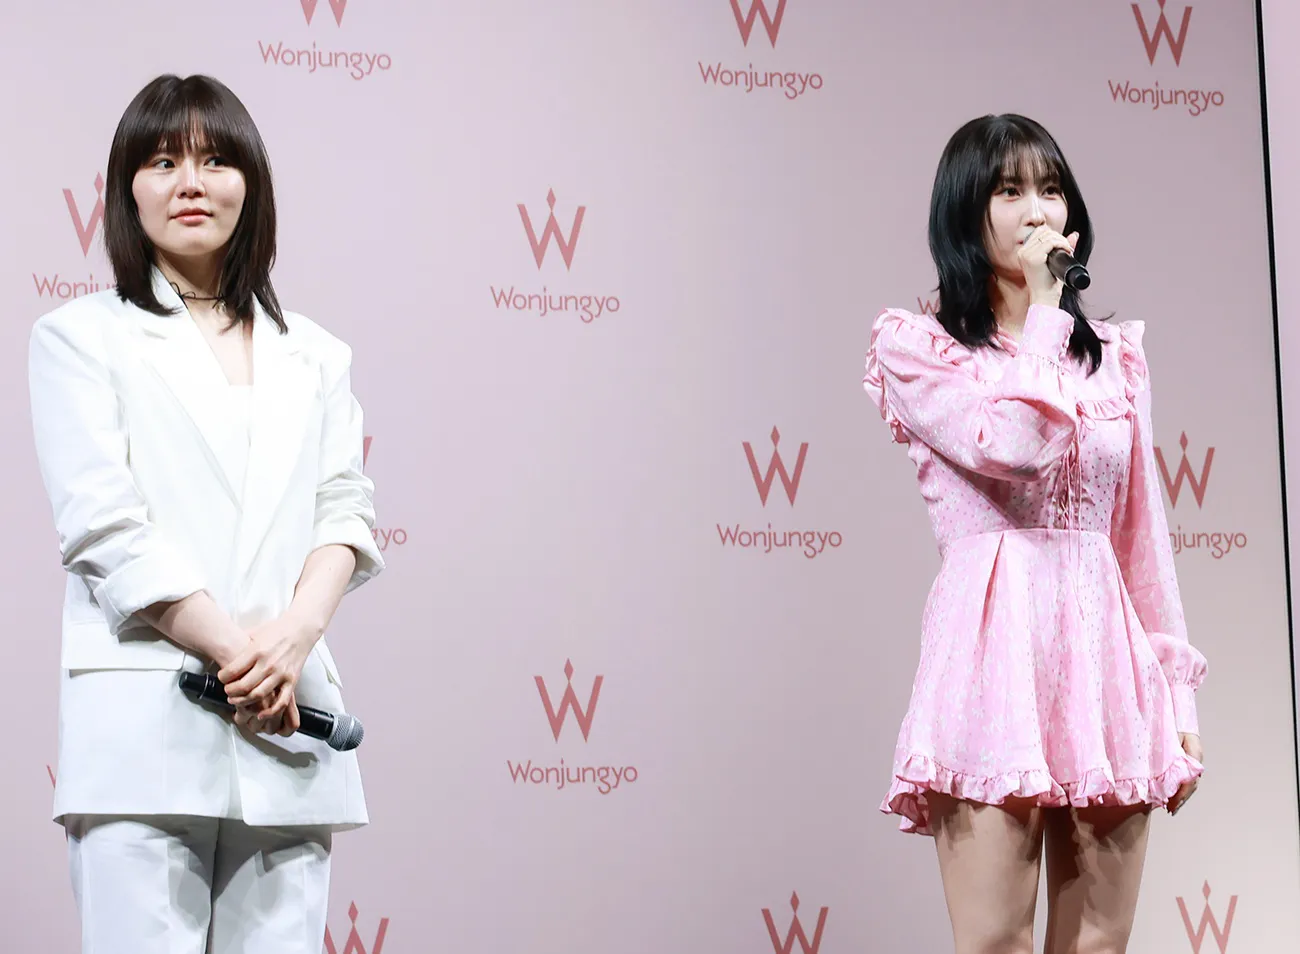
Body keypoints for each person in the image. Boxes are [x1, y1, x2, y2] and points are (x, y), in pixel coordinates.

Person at [27, 74, 384, 954]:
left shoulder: (318, 355)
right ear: (127, 189)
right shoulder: (78, 338)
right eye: (162, 161)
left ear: (251, 184)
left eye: (216, 160)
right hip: (145, 735)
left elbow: (343, 511)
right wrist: (240, 657)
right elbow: (104, 528)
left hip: (290, 733)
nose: (190, 182)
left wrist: (293, 640)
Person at [862, 114, 1207, 954]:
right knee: (996, 942)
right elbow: (1010, 448)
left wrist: (1177, 694)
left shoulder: (1115, 358)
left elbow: (1141, 538)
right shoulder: (921, 348)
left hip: (1106, 664)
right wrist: (1046, 316)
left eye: (1050, 189)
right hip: (992, 663)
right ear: (965, 212)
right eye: (1010, 190)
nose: (1037, 210)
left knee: (1098, 944)